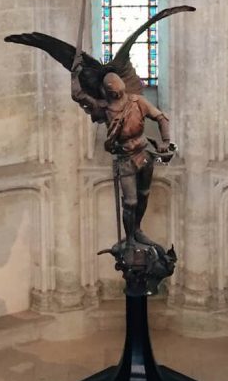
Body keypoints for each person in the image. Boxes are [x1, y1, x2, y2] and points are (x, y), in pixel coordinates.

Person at [72, 64, 175, 245]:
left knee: (144, 194)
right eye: (115, 94)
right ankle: (130, 239)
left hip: (144, 154)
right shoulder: (104, 108)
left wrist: (165, 141)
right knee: (130, 202)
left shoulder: (137, 102)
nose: (119, 96)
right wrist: (75, 76)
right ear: (107, 93)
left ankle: (137, 229)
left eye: (120, 92)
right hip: (125, 159)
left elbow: (161, 118)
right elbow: (78, 96)